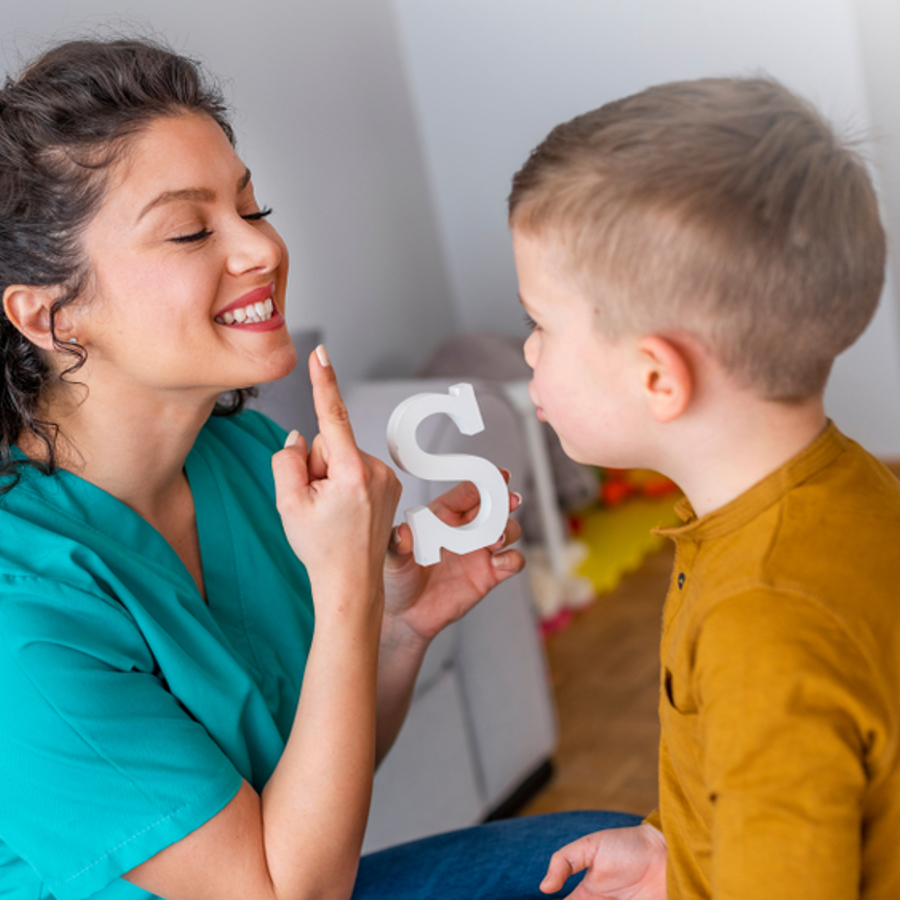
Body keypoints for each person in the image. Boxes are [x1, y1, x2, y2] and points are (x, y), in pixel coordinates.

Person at [0, 36, 638, 900]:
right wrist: (346, 588)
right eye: (190, 229)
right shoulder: (22, 613)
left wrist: (396, 630)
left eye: (252, 209)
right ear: (50, 315)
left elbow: (316, 780)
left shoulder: (251, 461)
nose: (261, 250)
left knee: (621, 863)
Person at [508, 76, 900, 899]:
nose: (529, 353)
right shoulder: (846, 486)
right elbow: (792, 784)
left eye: (541, 323)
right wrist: (673, 852)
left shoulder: (765, 622)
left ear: (657, 377)